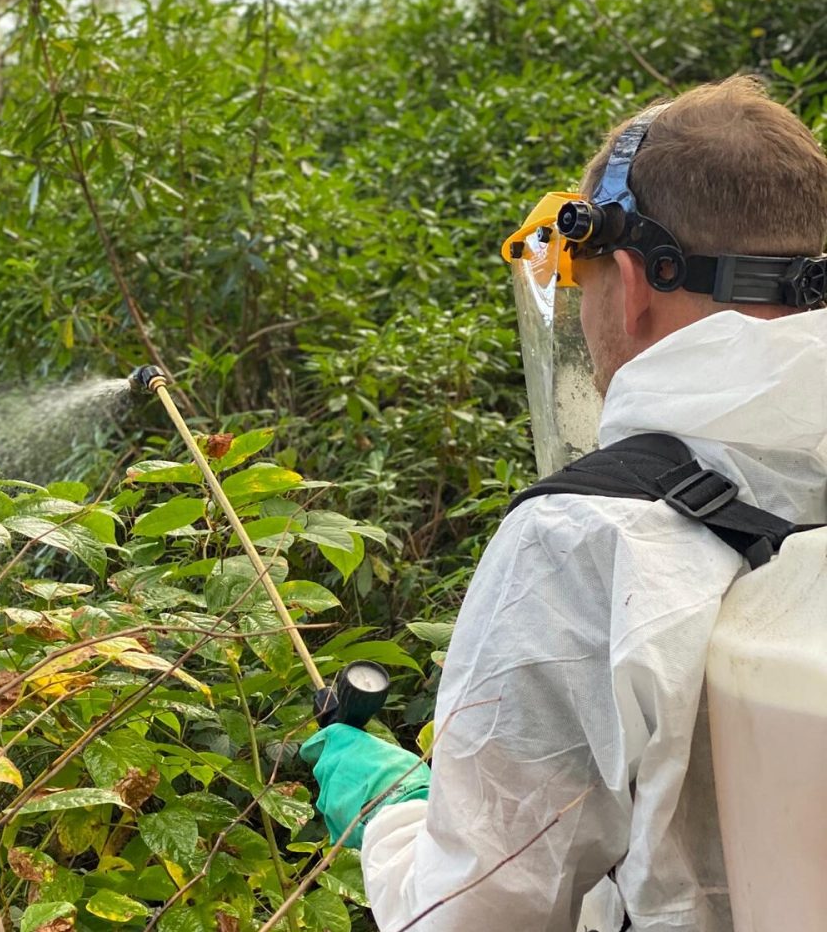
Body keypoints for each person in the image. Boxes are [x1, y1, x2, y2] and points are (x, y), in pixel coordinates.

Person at [300, 75, 827, 931]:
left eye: (579, 282)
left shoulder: (588, 536)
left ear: (631, 281)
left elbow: (472, 914)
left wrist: (391, 817)